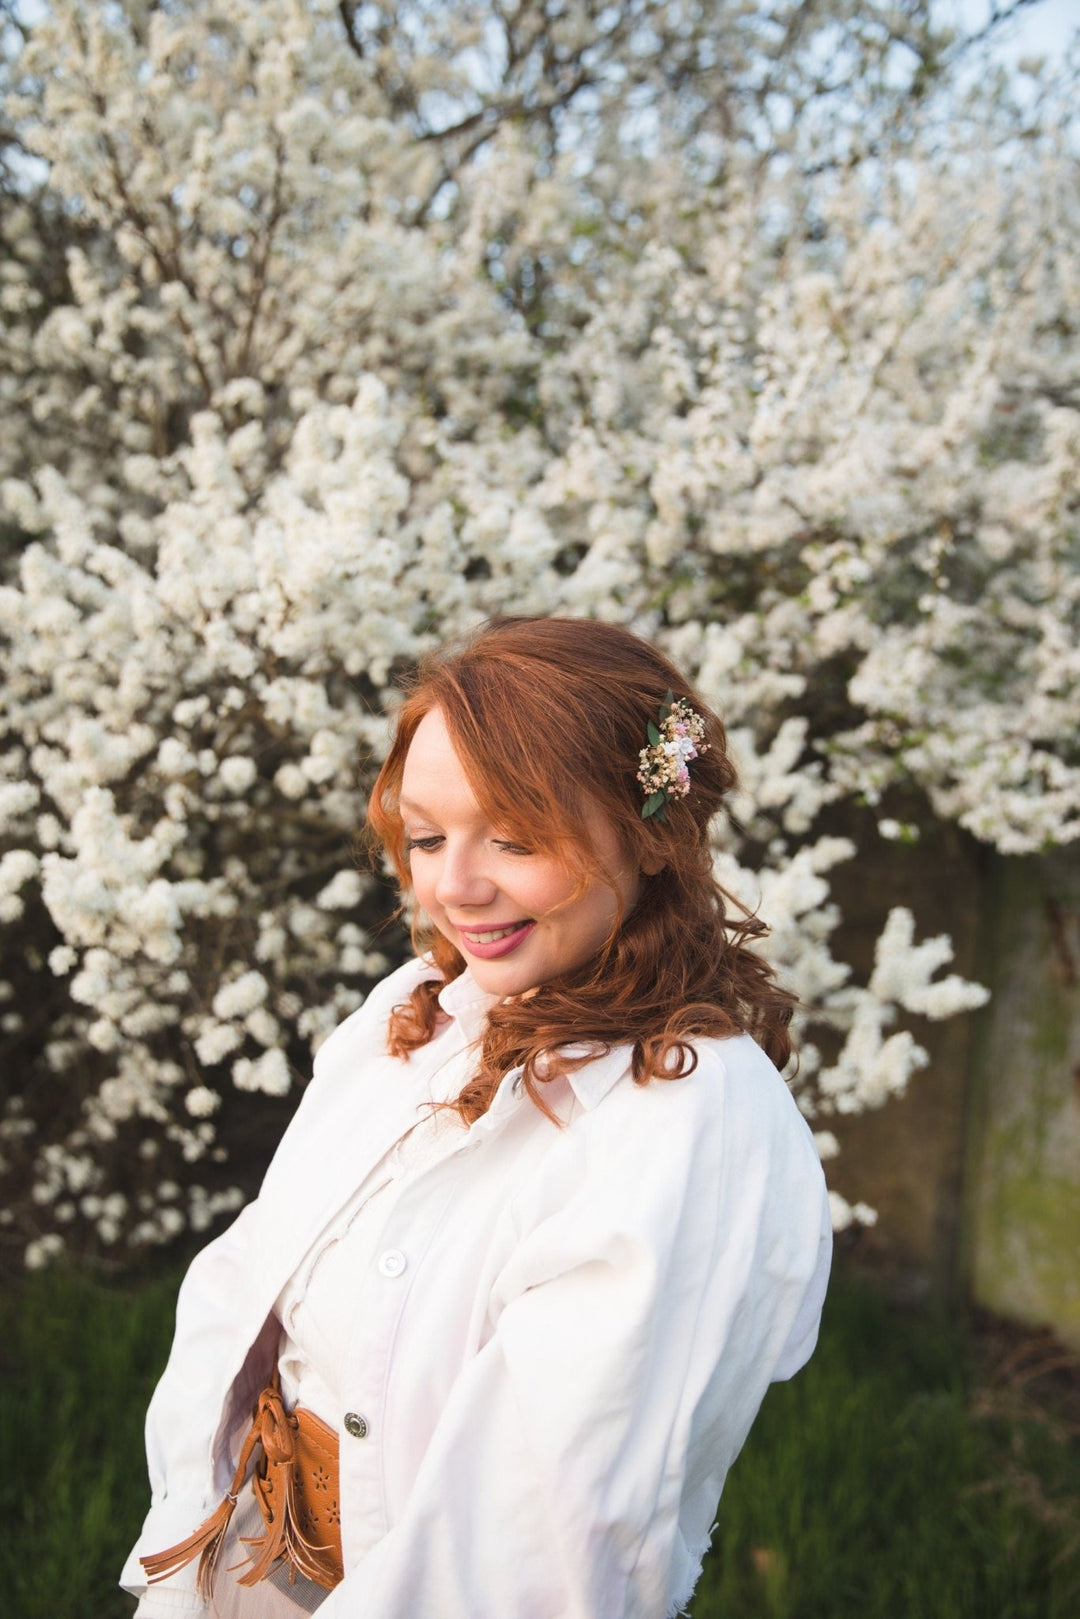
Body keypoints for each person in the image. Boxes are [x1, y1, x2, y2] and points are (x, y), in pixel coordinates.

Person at [122, 616, 832, 1619]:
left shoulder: (683, 1123)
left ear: (648, 832)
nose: (452, 885)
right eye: (426, 835)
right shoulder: (417, 1012)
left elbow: (532, 1537)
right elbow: (246, 1286)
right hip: (256, 1562)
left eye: (515, 835)